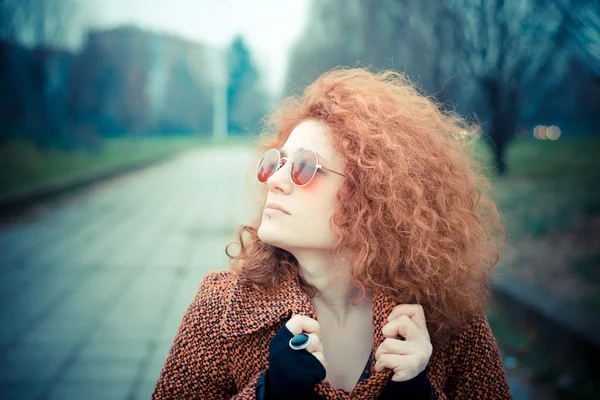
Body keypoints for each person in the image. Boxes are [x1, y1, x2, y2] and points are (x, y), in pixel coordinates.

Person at [152, 68, 512, 399]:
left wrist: (422, 396)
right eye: (277, 162)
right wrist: (268, 394)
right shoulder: (222, 306)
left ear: (373, 194)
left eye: (304, 167)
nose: (274, 181)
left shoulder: (447, 318)